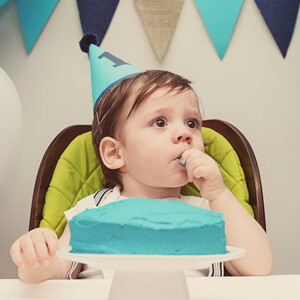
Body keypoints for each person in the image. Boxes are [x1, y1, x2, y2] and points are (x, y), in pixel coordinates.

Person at [10, 69, 272, 282]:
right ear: (114, 153)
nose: (185, 133)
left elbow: (259, 267)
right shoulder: (91, 211)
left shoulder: (210, 213)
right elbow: (57, 271)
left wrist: (218, 193)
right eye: (160, 122)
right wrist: (36, 260)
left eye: (192, 123)